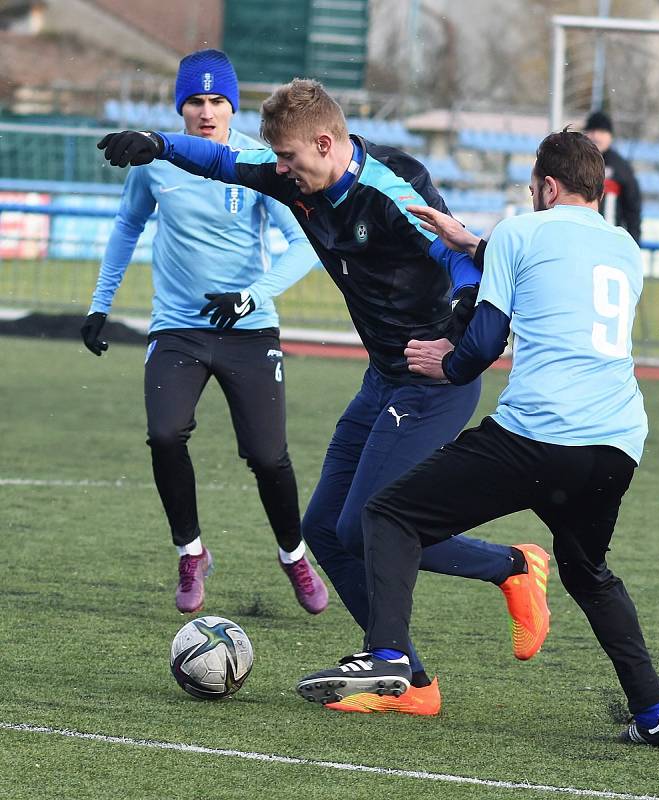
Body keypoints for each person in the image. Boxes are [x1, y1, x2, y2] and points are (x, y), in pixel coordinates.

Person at [96, 78, 549, 717]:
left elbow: (474, 273)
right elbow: (225, 159)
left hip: (433, 385)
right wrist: (156, 144)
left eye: (287, 159)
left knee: (374, 523)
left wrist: (455, 347)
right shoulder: (294, 174)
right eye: (276, 161)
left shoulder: (393, 193)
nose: (278, 171)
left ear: (325, 142)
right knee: (325, 533)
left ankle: (514, 568)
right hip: (383, 379)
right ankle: (410, 683)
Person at [297, 129, 659, 749]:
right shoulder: (624, 249)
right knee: (591, 577)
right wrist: (474, 244)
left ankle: (390, 658)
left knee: (389, 515)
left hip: (534, 439)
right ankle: (655, 713)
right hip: (615, 446)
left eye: (534, 188)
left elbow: (483, 342)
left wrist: (443, 365)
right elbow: (555, 278)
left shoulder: (519, 232)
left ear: (547, 187)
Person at [81, 51, 328, 616]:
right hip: (178, 330)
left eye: (219, 100)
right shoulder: (155, 160)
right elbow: (127, 226)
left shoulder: (261, 161)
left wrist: (252, 296)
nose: (207, 111)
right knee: (165, 436)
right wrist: (100, 305)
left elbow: (304, 245)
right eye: (196, 100)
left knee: (268, 458)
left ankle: (293, 555)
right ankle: (191, 553)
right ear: (181, 106)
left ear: (233, 106)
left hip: (248, 329)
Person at [584, 110, 642, 244]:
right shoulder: (575, 163)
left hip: (611, 240)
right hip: (582, 238)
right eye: (592, 131)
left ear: (610, 136)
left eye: (602, 132)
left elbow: (633, 209)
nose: (596, 136)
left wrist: (634, 244)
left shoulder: (621, 168)